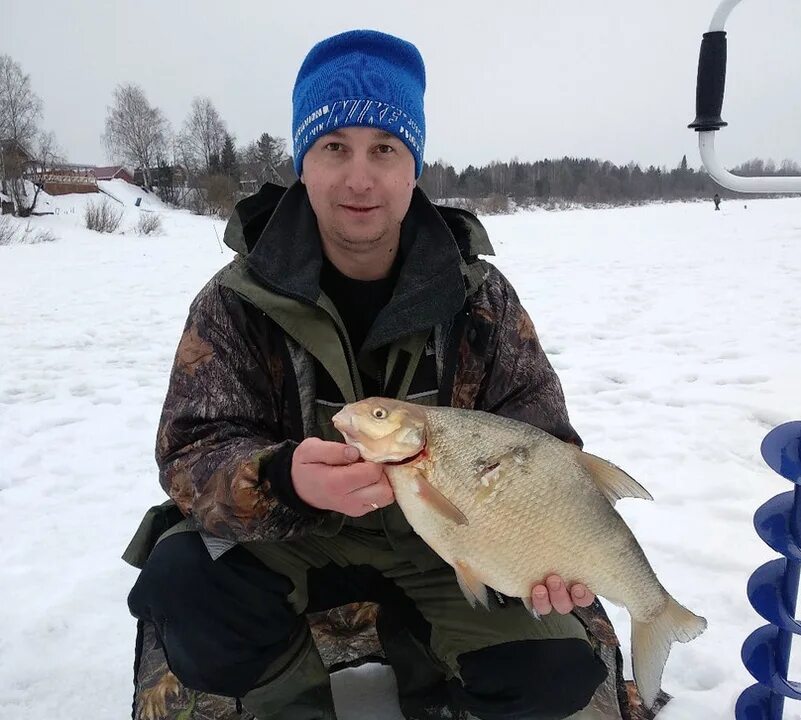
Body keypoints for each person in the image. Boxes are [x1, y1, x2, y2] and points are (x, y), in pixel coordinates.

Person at [124, 30, 642, 720]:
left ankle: (425, 652)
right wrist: (282, 478)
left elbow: (540, 442)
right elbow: (191, 453)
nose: (359, 178)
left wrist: (544, 546)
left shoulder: (480, 298)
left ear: (413, 167)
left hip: (452, 541)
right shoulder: (234, 301)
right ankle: (290, 699)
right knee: (187, 581)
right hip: (292, 541)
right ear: (302, 163)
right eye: (334, 147)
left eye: (384, 149)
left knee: (549, 674)